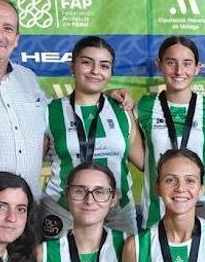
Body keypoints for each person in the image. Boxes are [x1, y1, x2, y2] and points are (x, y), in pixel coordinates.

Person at [0, 0, 134, 248]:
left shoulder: (27, 80)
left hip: (21, 214)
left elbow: (73, 109)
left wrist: (104, 97)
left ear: (17, 39)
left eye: (8, 28)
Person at [40, 37, 144, 237]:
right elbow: (30, 161)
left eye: (104, 65)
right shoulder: (50, 111)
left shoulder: (122, 110)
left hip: (117, 208)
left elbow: (143, 161)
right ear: (72, 66)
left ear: (111, 72)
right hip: (62, 207)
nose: (96, 71)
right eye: (87, 62)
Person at [137, 36, 205, 228]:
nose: (179, 71)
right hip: (156, 213)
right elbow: (136, 154)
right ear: (159, 64)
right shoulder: (144, 106)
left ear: (197, 67)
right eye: (171, 63)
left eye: (187, 63)